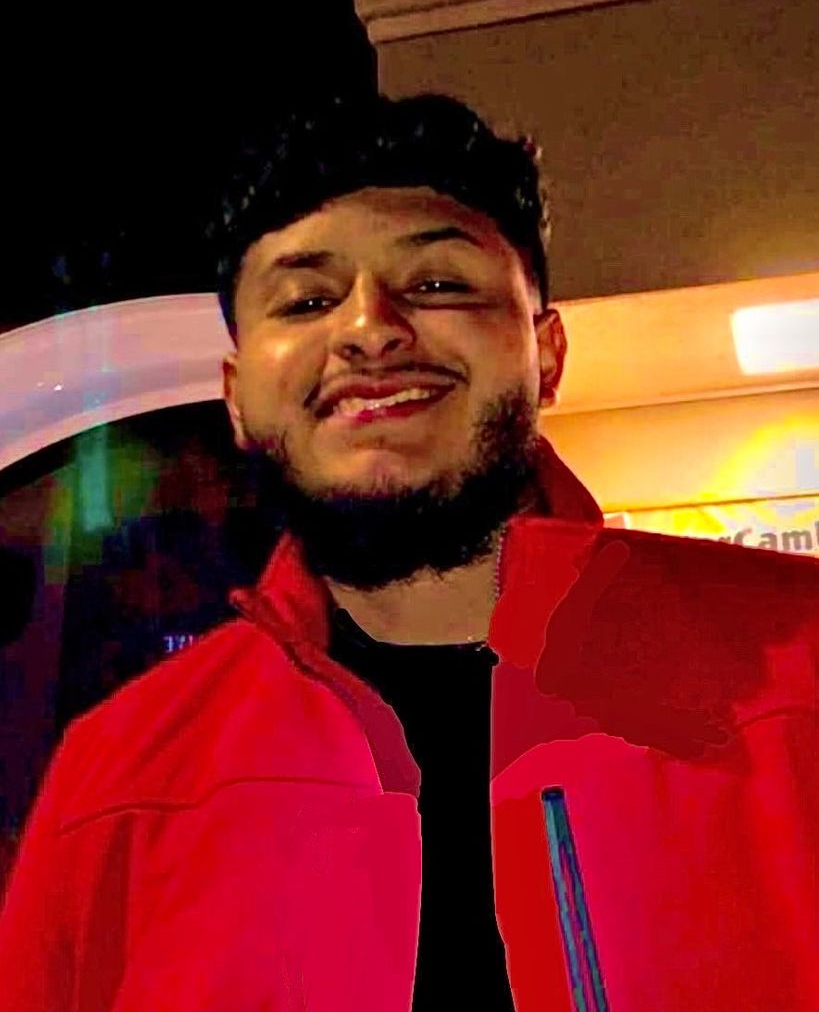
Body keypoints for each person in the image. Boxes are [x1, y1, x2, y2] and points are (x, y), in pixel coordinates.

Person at [0, 93, 817, 1012]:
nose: (369, 328)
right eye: (307, 300)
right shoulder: (117, 775)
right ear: (236, 397)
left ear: (545, 353)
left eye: (436, 284)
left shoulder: (802, 662)